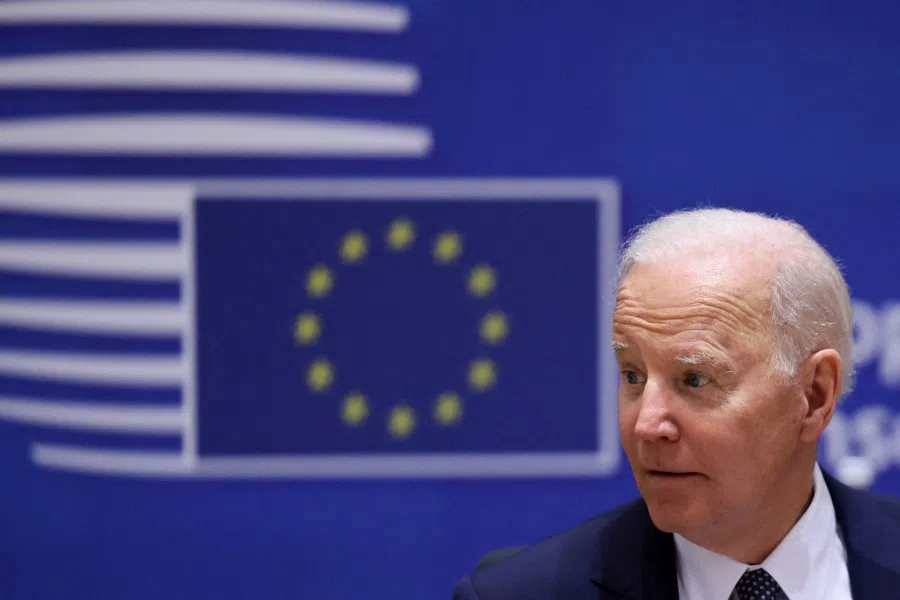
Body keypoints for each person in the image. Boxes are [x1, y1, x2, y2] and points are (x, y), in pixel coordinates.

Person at [452, 208, 900, 599]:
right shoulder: (518, 593)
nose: (647, 424)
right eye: (633, 375)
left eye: (694, 379)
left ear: (814, 395)